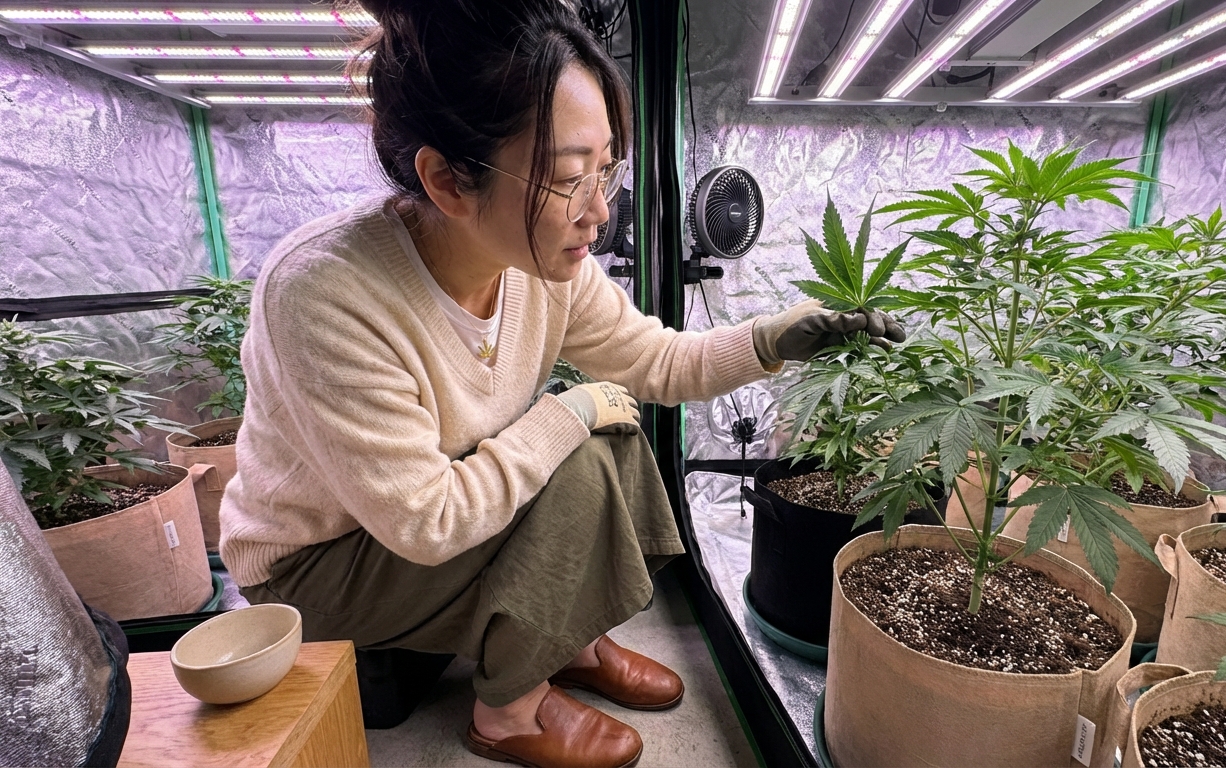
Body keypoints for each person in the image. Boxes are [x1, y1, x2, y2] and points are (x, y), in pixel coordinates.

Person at [218, 2, 904, 766]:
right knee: (581, 445)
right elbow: (426, 521)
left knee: (610, 433)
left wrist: (776, 338)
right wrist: (567, 413)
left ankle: (563, 636)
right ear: (447, 179)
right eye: (572, 178)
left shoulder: (543, 265)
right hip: (324, 561)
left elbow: (663, 364)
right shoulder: (327, 292)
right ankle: (508, 710)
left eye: (606, 168)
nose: (601, 212)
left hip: (420, 520)